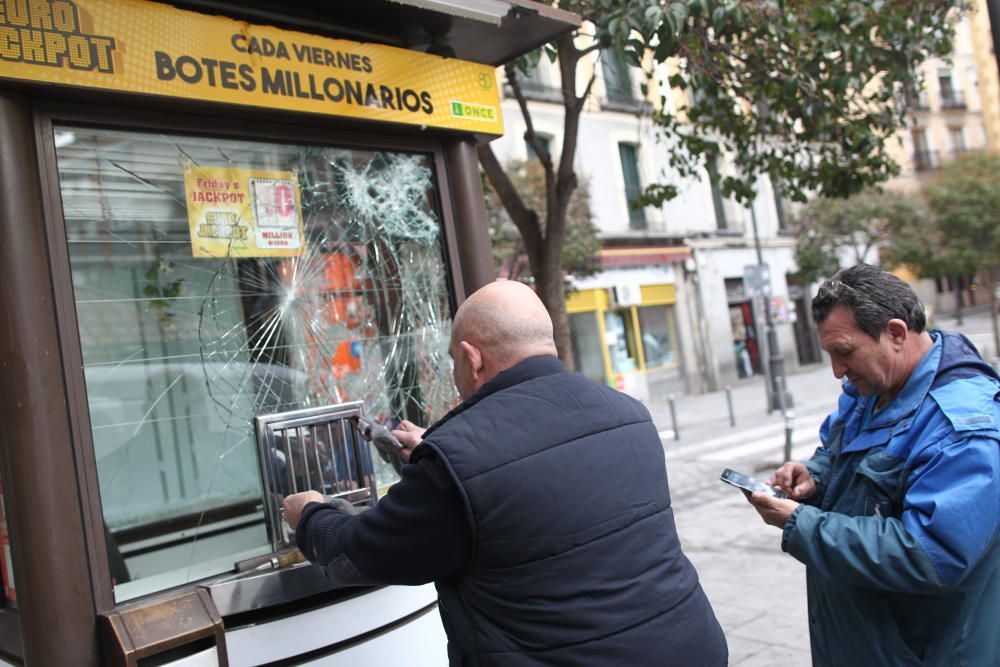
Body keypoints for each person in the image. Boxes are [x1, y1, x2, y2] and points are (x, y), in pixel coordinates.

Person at [283, 280, 727, 666]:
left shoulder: (457, 463)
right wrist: (436, 456)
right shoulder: (628, 414)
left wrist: (310, 514)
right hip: (690, 648)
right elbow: (539, 485)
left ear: (471, 357)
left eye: (454, 362)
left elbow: (357, 556)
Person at [746, 264, 1000, 666]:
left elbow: (931, 555)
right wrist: (816, 475)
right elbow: (843, 449)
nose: (837, 371)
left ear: (897, 333)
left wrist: (801, 523)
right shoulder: (873, 386)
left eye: (844, 352)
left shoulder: (964, 428)